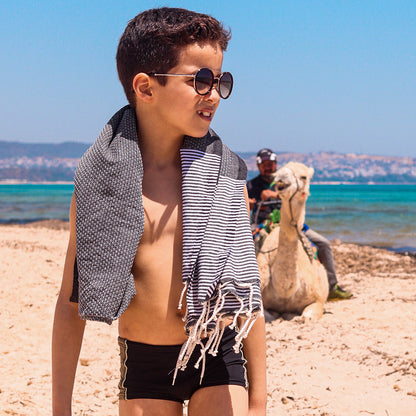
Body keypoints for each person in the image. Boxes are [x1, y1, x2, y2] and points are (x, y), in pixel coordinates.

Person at [52, 8, 266, 416]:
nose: (213, 95)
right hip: (145, 362)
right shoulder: (102, 183)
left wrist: (259, 401)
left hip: (217, 354)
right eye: (201, 80)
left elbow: (247, 290)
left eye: (221, 81)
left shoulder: (226, 177)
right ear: (146, 88)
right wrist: (60, 408)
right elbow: (70, 303)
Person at [247, 148, 352, 301]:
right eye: (265, 164)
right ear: (258, 166)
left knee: (323, 244)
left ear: (276, 164)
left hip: (291, 224)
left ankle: (332, 286)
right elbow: (239, 203)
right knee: (244, 247)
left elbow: (297, 193)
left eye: (271, 163)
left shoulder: (284, 180)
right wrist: (248, 203)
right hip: (262, 224)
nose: (268, 167)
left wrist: (275, 194)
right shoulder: (251, 186)